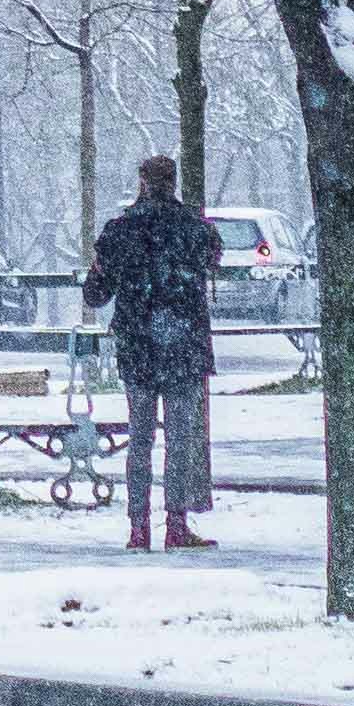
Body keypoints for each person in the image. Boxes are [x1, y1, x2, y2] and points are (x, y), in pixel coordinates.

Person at [84, 153, 219, 552]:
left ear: (142, 181)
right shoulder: (196, 231)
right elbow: (210, 267)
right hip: (183, 346)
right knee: (179, 438)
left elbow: (96, 294)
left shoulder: (119, 232)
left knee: (140, 437)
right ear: (173, 182)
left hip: (139, 346)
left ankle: (138, 527)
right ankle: (175, 523)